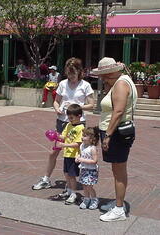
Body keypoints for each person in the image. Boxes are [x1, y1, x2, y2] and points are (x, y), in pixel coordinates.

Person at [32, 57, 94, 190]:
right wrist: (57, 108)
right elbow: (56, 101)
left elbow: (92, 105)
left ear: (79, 71)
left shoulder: (85, 85)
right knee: (53, 152)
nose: (71, 77)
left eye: (73, 73)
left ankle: (74, 182)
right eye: (69, 73)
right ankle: (46, 179)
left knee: (77, 153)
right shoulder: (62, 84)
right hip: (62, 122)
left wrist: (76, 107)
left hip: (78, 124)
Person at [92, 57, 137, 222]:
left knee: (118, 171)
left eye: (104, 76)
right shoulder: (122, 81)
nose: (103, 79)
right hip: (117, 131)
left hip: (116, 133)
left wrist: (108, 135)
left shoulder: (120, 84)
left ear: (111, 72)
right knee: (117, 170)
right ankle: (119, 203)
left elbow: (118, 112)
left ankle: (119, 209)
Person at [55, 104, 84, 204]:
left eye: (72, 117)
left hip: (74, 155)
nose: (70, 119)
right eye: (69, 117)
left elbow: (77, 144)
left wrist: (64, 144)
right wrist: (56, 136)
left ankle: (74, 193)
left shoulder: (81, 127)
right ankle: (69, 190)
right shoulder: (68, 125)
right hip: (67, 154)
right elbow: (63, 136)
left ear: (79, 116)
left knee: (72, 176)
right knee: (66, 174)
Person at [75, 127, 99, 210]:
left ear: (91, 138)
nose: (82, 137)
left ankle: (94, 199)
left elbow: (95, 161)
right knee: (84, 185)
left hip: (91, 170)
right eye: (82, 135)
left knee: (89, 186)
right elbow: (81, 155)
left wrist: (83, 160)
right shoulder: (82, 146)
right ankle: (86, 199)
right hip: (84, 169)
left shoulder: (92, 148)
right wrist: (78, 158)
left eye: (85, 136)